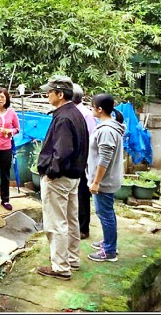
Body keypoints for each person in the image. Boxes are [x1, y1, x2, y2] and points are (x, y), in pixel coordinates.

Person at [36, 75, 89, 281]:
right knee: (71, 219)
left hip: (60, 177)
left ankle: (60, 267)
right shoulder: (74, 113)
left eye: (50, 91)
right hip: (73, 176)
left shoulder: (64, 117)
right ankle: (72, 259)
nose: (47, 94)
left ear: (60, 94)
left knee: (56, 223)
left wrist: (51, 172)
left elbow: (63, 150)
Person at [87, 93, 125, 262]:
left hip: (104, 181)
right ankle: (108, 242)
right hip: (105, 180)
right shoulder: (108, 127)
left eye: (92, 106)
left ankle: (109, 250)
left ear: (100, 109)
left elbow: (104, 158)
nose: (91, 108)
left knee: (105, 214)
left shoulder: (107, 130)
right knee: (106, 213)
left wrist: (96, 182)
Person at [72, 83, 97, 240]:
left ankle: (83, 228)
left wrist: (86, 161)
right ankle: (75, 226)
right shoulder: (73, 112)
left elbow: (90, 139)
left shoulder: (84, 114)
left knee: (81, 194)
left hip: (81, 161)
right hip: (73, 160)